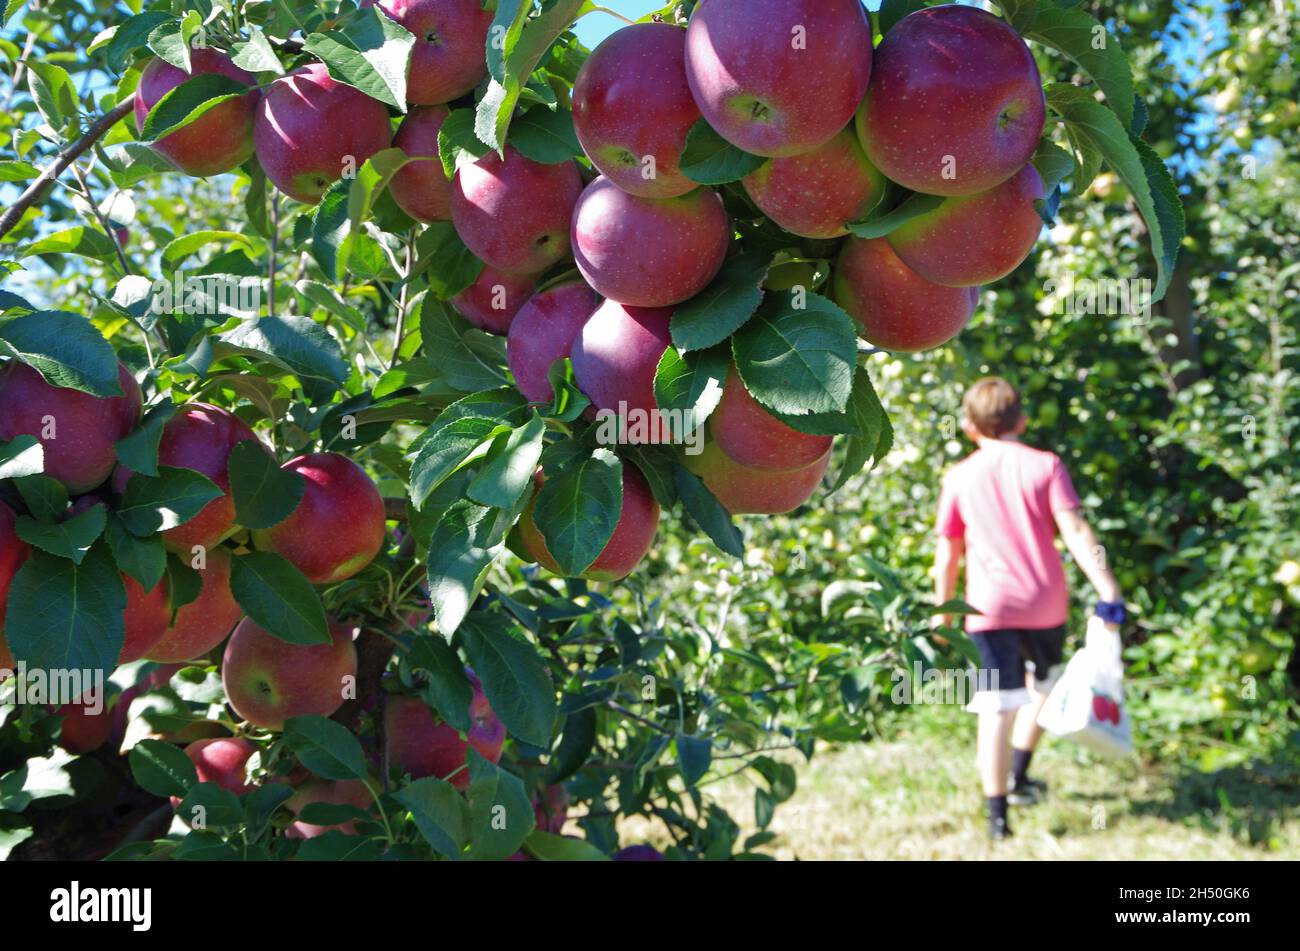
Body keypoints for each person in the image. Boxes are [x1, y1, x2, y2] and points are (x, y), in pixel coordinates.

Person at [931, 377, 1124, 840]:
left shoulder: (959, 477)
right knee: (1044, 687)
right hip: (1045, 603)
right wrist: (1108, 589)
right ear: (1022, 420)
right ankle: (1019, 775)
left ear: (968, 426)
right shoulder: (1046, 465)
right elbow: (1076, 533)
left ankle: (998, 817)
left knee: (995, 708)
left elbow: (949, 553)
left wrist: (944, 614)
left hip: (986, 607)